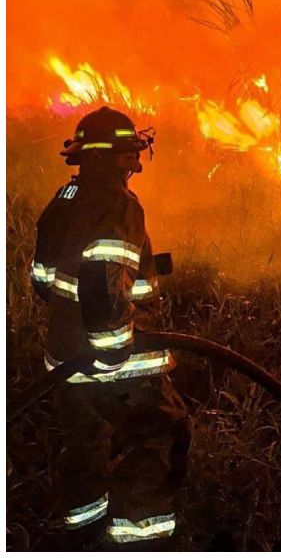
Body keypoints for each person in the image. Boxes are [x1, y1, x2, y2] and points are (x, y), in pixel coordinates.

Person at [30, 106, 190, 550]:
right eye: (126, 153)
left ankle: (82, 540)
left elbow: (45, 279)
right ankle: (141, 542)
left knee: (87, 451)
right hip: (117, 368)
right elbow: (102, 279)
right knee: (151, 442)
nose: (132, 162)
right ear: (108, 157)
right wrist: (113, 351)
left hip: (66, 359)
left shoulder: (63, 200)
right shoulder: (119, 204)